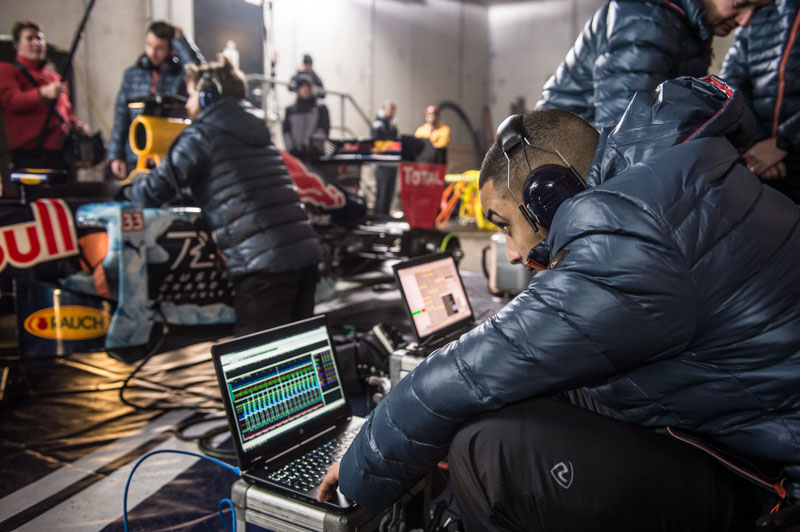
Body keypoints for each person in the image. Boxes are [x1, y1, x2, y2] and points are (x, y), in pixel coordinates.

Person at [318, 76, 800, 530]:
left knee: (487, 451)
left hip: (768, 482)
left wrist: (362, 466)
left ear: (548, 197)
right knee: (536, 389)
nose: (510, 251)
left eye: (505, 224)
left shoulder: (636, 230)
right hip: (737, 437)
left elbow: (473, 371)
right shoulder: (673, 185)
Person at [122, 58, 321, 337]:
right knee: (297, 357)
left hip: (263, 264)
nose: (187, 103)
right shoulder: (254, 128)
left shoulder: (201, 134)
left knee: (257, 368)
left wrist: (129, 188)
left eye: (191, 94)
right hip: (303, 255)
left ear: (208, 95)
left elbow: (153, 192)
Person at [536, 0, 772, 130]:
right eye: (740, 4)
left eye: (757, 9)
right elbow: (623, 133)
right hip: (564, 155)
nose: (745, 20)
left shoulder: (687, 25)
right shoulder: (646, 17)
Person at [721, 0, 800, 203]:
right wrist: (755, 144)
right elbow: (732, 82)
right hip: (759, 166)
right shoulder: (763, 9)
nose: (743, 21)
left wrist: (784, 142)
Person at [108, 21, 204, 180]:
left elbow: (199, 73)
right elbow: (121, 116)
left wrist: (181, 41)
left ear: (170, 49)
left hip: (168, 154)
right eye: (149, 45)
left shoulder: (179, 74)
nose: (152, 53)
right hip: (135, 155)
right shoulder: (132, 74)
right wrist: (115, 155)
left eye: (159, 48)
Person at [0, 20, 89, 171]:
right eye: (30, 38)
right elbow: (12, 101)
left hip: (59, 152)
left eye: (40, 38)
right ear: (17, 45)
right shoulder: (7, 71)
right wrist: (42, 93)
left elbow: (65, 110)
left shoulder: (54, 77)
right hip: (30, 153)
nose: (37, 43)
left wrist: (75, 124)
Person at [282, 76, 330, 161]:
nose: (305, 89)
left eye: (307, 86)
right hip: (295, 156)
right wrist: (293, 149)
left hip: (315, 156)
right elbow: (286, 132)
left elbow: (323, 129)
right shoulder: (290, 110)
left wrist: (308, 146)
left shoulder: (321, 109)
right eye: (302, 86)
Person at [371, 100, 398, 215]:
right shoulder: (378, 126)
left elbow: (396, 143)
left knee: (390, 192)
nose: (390, 112)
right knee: (381, 192)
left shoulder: (393, 126)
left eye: (392, 109)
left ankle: (386, 215)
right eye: (388, 109)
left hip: (392, 163)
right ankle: (378, 215)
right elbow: (376, 143)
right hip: (381, 163)